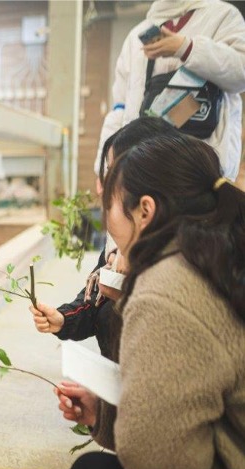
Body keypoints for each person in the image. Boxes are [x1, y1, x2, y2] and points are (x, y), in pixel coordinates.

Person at [59, 134, 245, 469]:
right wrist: (104, 413)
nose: (102, 205)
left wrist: (121, 424)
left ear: (145, 210)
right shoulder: (223, 252)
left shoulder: (166, 289)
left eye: (109, 198)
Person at [30, 117, 180, 357]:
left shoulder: (177, 262)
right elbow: (93, 301)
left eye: (111, 171)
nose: (101, 187)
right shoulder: (120, 246)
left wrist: (123, 297)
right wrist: (62, 320)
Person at [96, 0, 245, 180]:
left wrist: (187, 49)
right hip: (143, 172)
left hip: (203, 172)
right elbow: (120, 109)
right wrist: (105, 170)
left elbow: (241, 73)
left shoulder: (222, 17)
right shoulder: (136, 36)